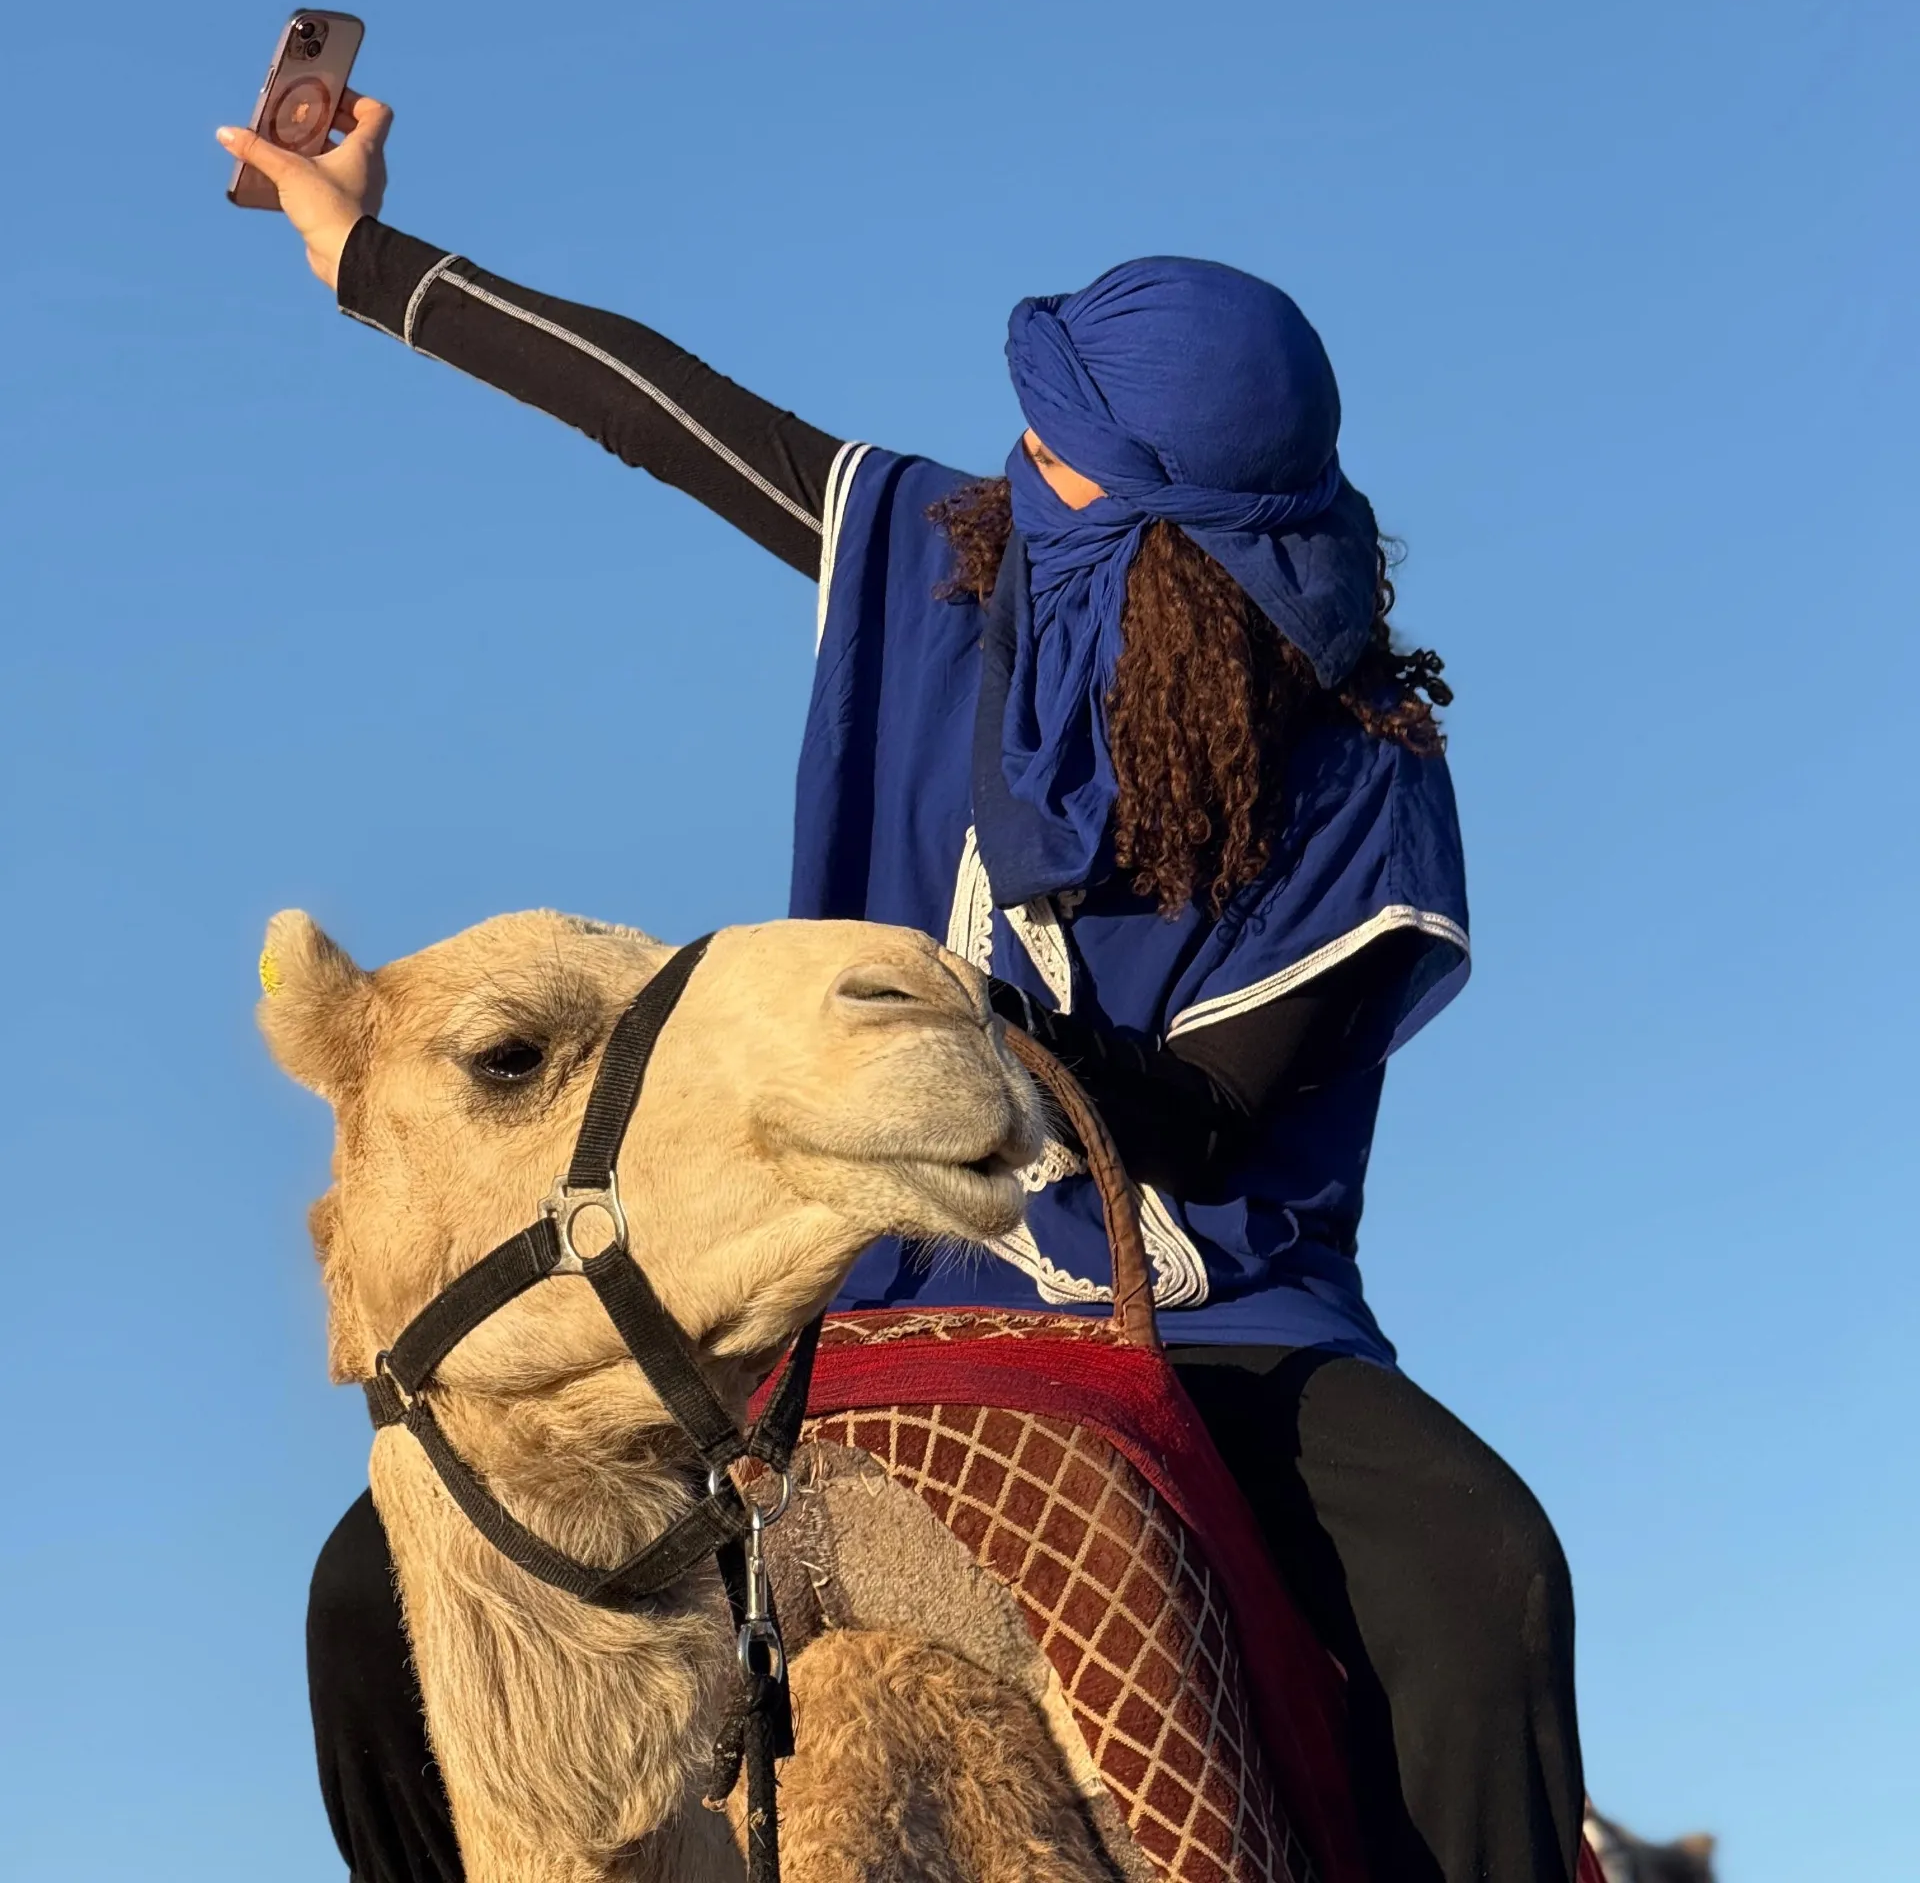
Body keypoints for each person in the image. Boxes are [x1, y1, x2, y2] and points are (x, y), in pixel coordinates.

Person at [222, 95, 1585, 1883]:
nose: (1021, 469)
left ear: (1189, 527)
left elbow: (1221, 1117)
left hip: (1208, 1318)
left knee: (1486, 1572)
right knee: (371, 1594)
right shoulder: (952, 569)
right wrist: (363, 255)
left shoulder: (1363, 770)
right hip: (841, 1274)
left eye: (1066, 454)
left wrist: (964, 1047)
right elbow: (669, 415)